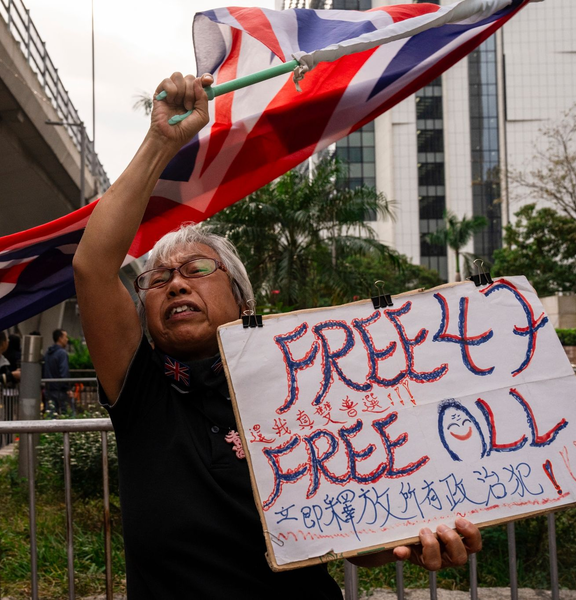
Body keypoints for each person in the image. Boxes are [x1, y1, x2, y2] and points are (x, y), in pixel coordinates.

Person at [73, 73, 482, 598]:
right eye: (158, 279)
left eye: (197, 269)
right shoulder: (142, 394)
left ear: (245, 303)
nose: (175, 283)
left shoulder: (309, 391)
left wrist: (412, 538)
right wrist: (161, 141)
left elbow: (355, 532)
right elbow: (92, 267)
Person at [43, 329, 73, 415]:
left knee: (50, 415)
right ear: (60, 338)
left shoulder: (48, 353)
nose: (67, 339)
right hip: (60, 391)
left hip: (49, 389)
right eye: (65, 337)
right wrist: (67, 388)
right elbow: (64, 372)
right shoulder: (62, 353)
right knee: (66, 415)